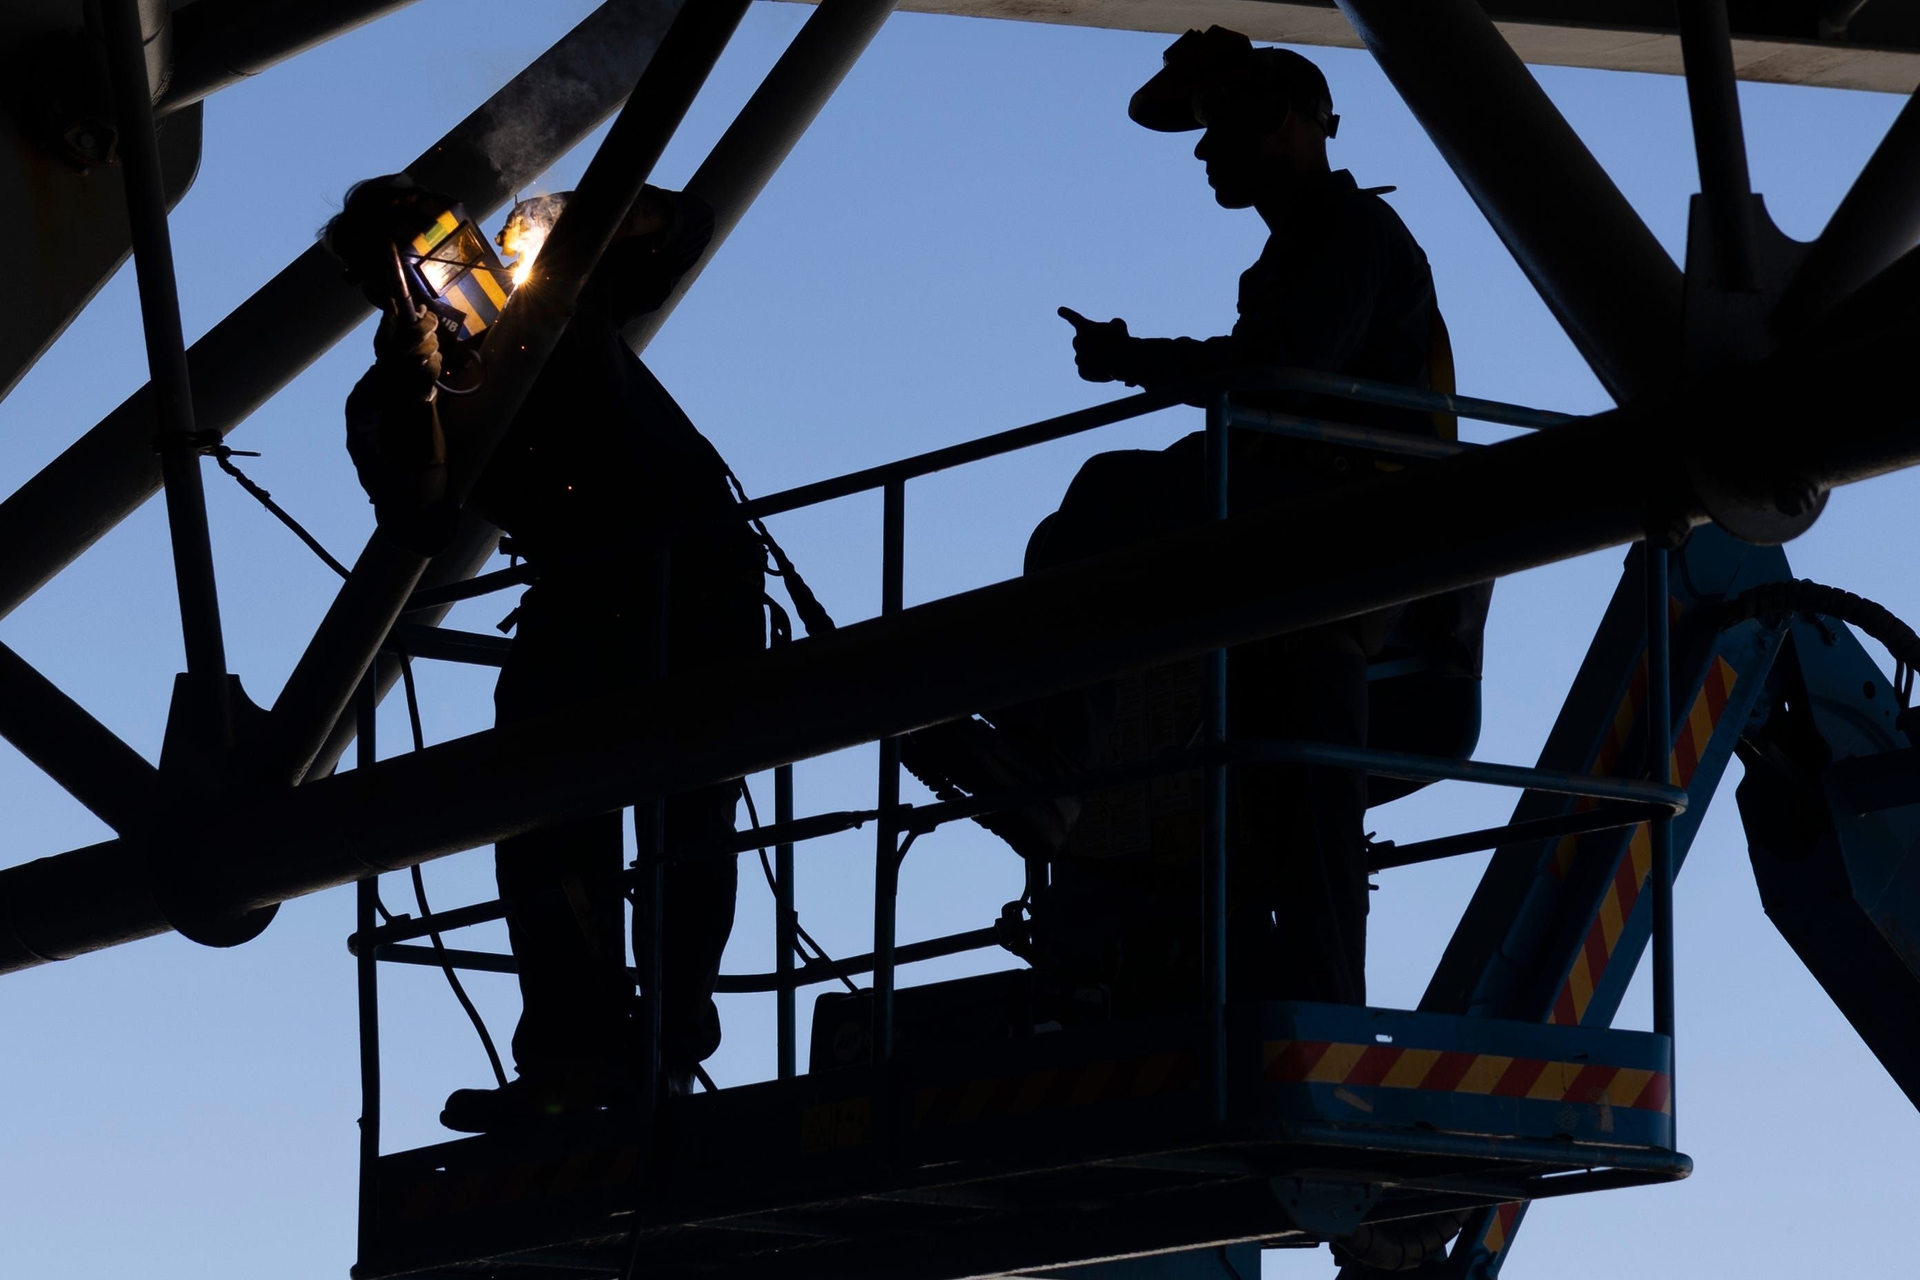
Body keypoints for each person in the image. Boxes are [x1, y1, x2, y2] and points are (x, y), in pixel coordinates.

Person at [1019, 29, 1489, 1010]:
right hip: (1313, 542)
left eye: (1216, 123)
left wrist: (1139, 358)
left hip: (1351, 536)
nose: (1199, 151)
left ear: (1282, 123)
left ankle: (1055, 761)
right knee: (1276, 791)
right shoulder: (1303, 252)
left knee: (1110, 497)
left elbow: (1288, 374)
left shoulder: (1355, 237)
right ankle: (1087, 795)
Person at [321, 175, 766, 1131]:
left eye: (446, 240)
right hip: (582, 590)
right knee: (537, 810)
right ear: (384, 291)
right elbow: (421, 511)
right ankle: (575, 1052)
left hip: (695, 570)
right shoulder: (393, 392)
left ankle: (667, 1043)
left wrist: (597, 209)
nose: (446, 267)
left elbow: (683, 225)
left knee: (687, 806)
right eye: (411, 261)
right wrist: (413, 378)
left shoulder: (558, 294)